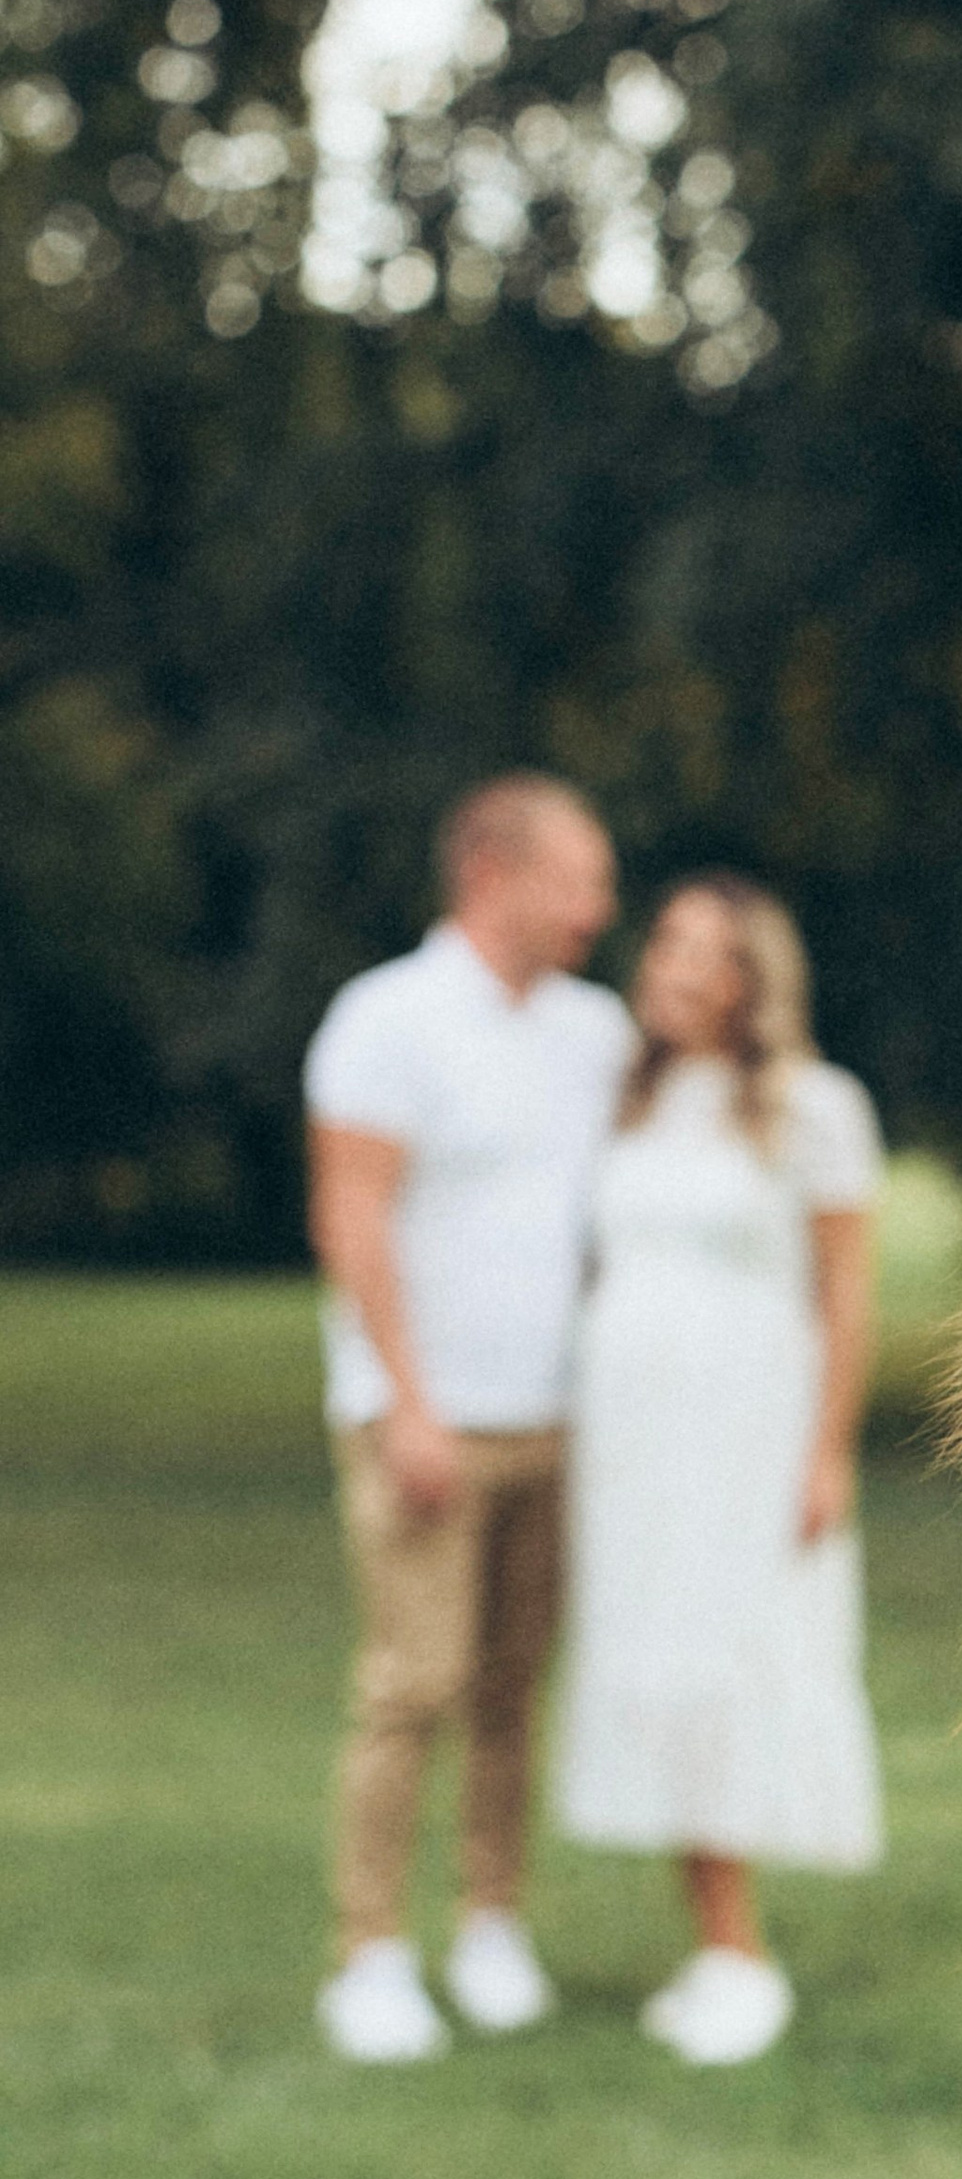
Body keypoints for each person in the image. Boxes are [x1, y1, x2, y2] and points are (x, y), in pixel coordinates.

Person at [307, 776, 631, 2064]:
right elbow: (352, 1216)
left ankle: (489, 1921)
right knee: (411, 1687)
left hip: (559, 1420)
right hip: (425, 1419)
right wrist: (408, 1405)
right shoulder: (384, 1020)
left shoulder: (595, 1031)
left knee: (512, 1688)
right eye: (582, 879)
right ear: (496, 875)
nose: (600, 908)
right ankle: (368, 1953)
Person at [551, 873, 885, 2065]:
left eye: (706, 950)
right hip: (634, 1445)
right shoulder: (626, 1101)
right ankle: (707, 1938)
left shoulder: (813, 1107)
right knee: (653, 1661)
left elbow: (847, 1290)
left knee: (737, 1658)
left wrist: (826, 1451)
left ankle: (740, 1952)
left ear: (751, 978)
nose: (673, 966)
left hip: (747, 1431)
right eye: (666, 943)